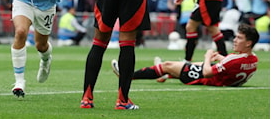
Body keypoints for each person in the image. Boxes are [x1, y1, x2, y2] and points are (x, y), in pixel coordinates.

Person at [111, 23, 259, 87]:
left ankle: (127, 75)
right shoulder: (254, 59)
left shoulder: (233, 59)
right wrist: (221, 59)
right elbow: (232, 66)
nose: (234, 40)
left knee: (167, 65)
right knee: (185, 66)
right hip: (222, 78)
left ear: (248, 43)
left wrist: (208, 57)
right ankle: (165, 75)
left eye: (239, 38)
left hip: (206, 79)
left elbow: (207, 73)